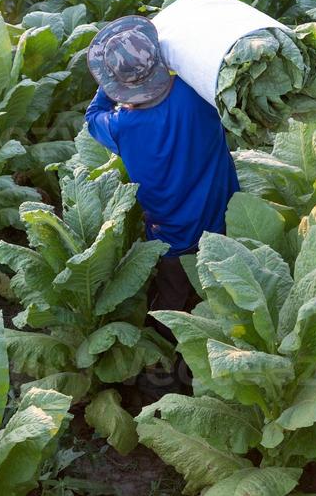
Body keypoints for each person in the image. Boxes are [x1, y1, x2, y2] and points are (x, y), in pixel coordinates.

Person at [85, 16, 239, 319]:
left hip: (172, 234)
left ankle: (170, 343)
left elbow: (92, 116)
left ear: (119, 87)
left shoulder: (121, 127)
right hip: (224, 213)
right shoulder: (199, 91)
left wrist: (109, 86)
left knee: (172, 297)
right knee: (226, 283)